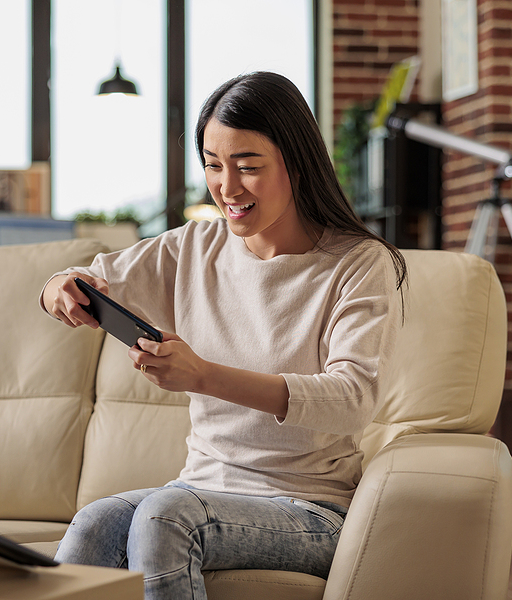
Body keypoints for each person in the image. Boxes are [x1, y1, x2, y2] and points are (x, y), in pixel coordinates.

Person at [39, 71, 407, 600]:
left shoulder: (358, 265)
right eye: (213, 165)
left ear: (297, 166)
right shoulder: (195, 246)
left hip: (309, 508)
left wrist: (205, 376)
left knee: (165, 516)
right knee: (96, 522)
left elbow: (352, 400)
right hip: (201, 488)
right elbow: (91, 278)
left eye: (248, 167)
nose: (227, 188)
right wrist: (58, 287)